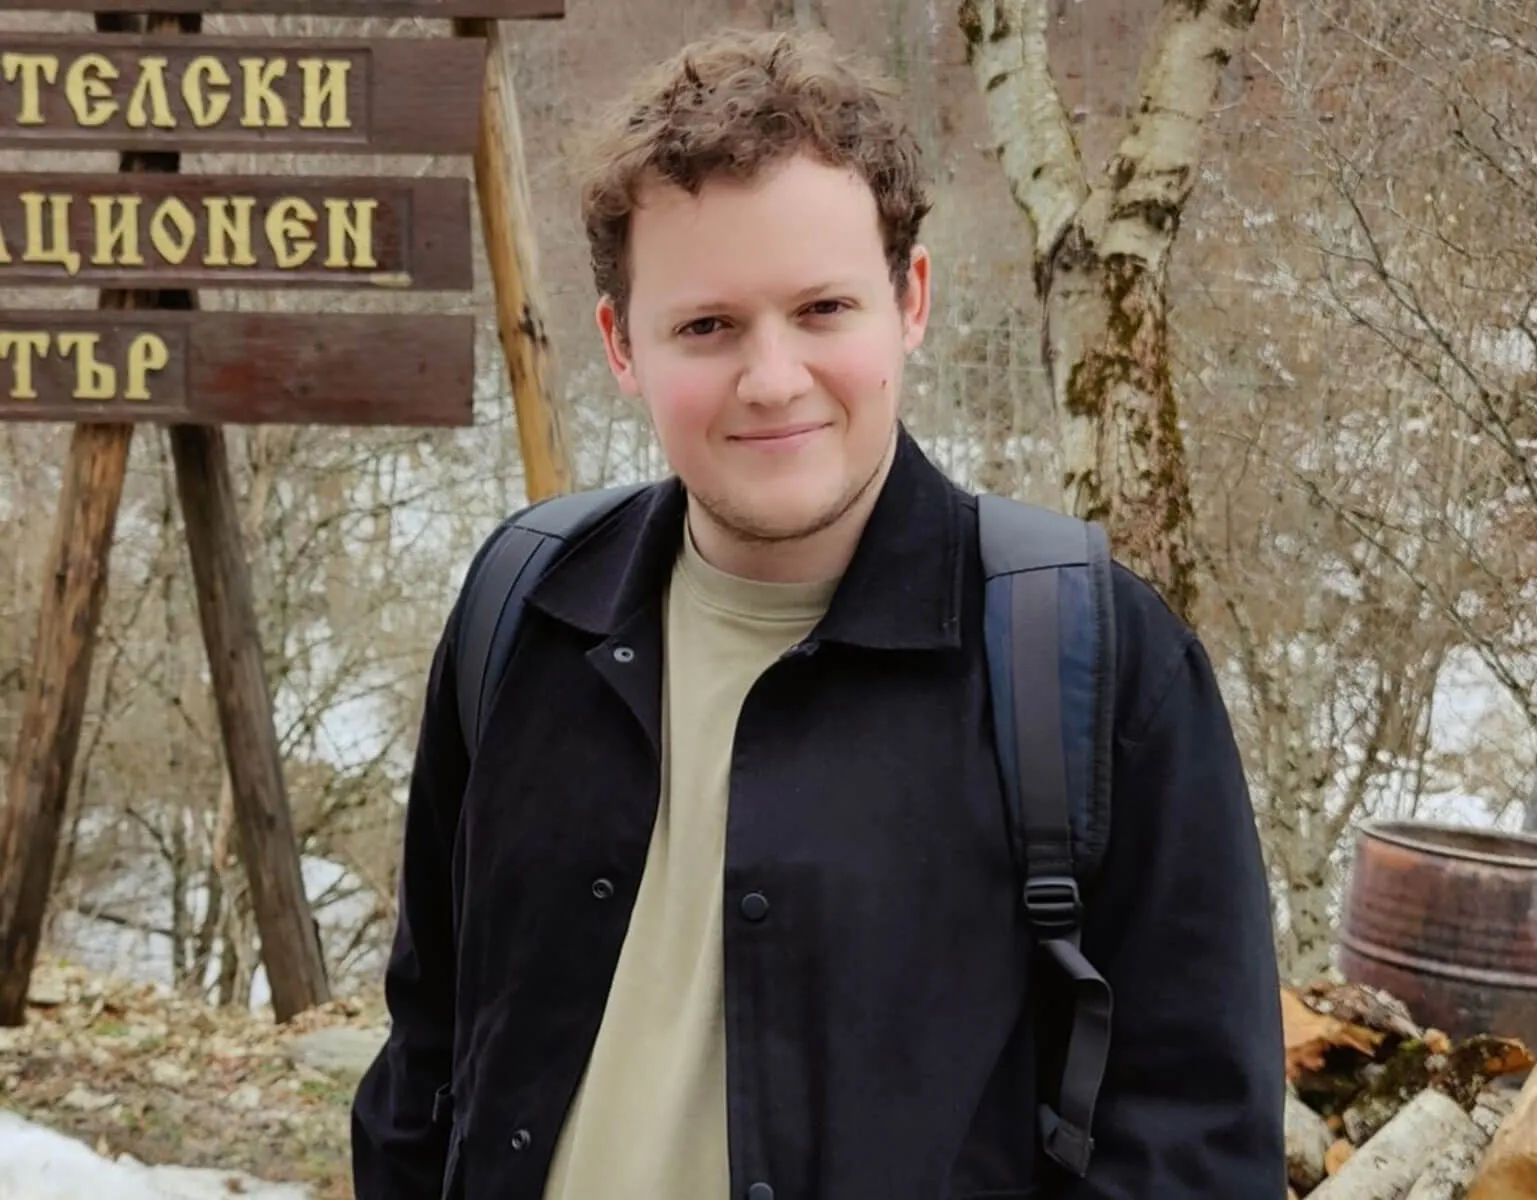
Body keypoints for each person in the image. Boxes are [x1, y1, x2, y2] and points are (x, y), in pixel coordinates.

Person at [351, 26, 1284, 1200]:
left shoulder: (1085, 664)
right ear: (619, 345)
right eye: (707, 326)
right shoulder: (521, 612)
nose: (773, 378)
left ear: (911, 303)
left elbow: (1193, 1145)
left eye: (823, 309)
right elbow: (426, 1056)